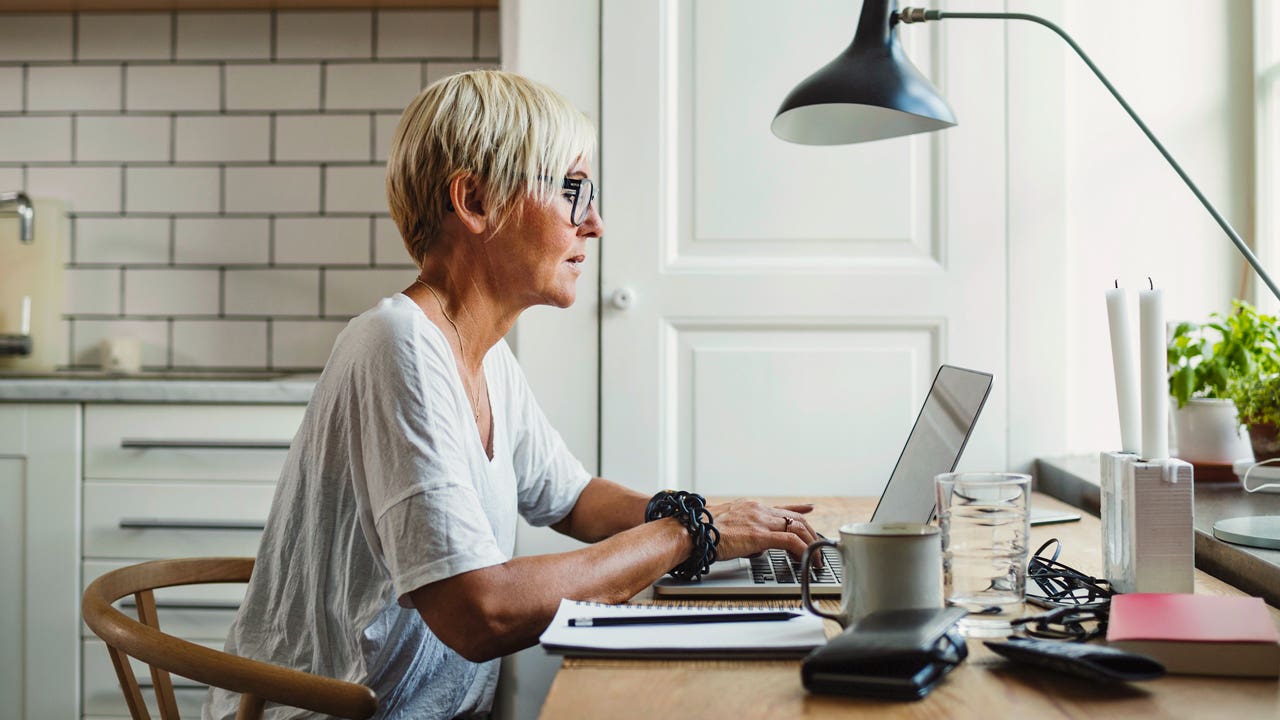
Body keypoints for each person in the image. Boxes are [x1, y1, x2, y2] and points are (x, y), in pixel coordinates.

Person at [204, 70, 819, 720]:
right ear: (473, 201)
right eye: (573, 190)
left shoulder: (484, 355)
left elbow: (574, 499)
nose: (596, 225)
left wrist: (713, 518)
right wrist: (687, 534)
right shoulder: (396, 344)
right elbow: (480, 613)